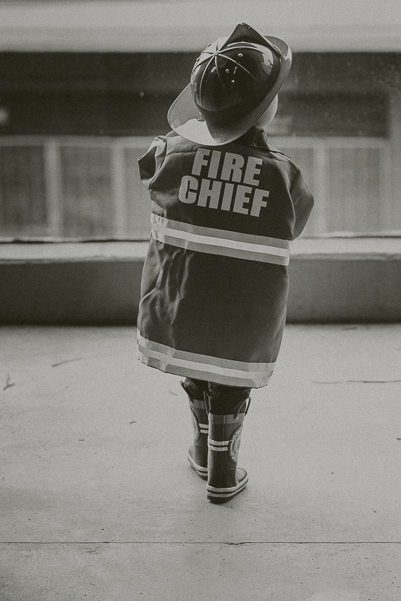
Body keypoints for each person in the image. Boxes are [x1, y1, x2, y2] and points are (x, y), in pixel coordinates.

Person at [136, 23, 314, 504]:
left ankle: (200, 450)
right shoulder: (282, 172)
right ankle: (222, 470)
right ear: (264, 111)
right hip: (243, 321)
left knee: (197, 371)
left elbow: (148, 172)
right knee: (230, 385)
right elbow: (296, 218)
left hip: (179, 311)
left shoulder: (168, 152)